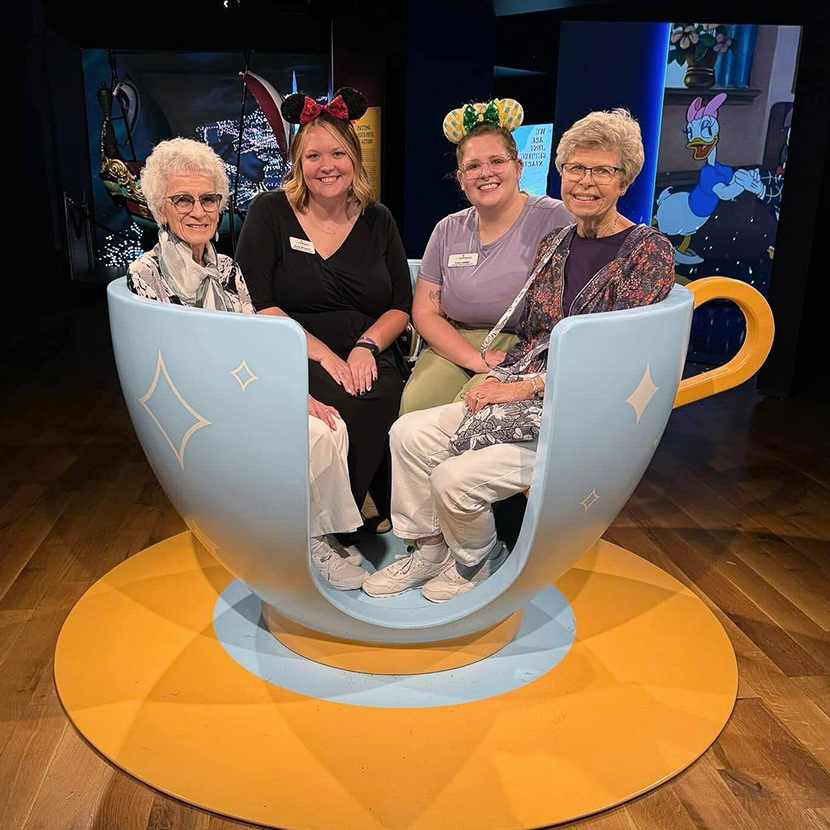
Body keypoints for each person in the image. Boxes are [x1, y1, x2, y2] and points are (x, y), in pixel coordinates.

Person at [363, 108, 675, 602]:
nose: (585, 181)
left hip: (579, 410)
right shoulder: (556, 243)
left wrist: (522, 385)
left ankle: (477, 558)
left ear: (625, 180)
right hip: (527, 385)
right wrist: (500, 374)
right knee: (407, 432)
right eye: (575, 168)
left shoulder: (647, 251)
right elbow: (537, 334)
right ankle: (426, 548)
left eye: (601, 171)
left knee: (451, 477)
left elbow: (616, 359)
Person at [128, 137, 368, 590]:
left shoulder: (227, 269)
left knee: (329, 425)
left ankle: (316, 535)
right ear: (161, 208)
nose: (198, 211)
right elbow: (174, 361)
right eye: (183, 199)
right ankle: (301, 542)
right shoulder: (147, 274)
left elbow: (253, 346)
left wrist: (296, 395)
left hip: (242, 389)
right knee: (308, 436)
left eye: (209, 199)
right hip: (197, 405)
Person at [235, 88, 412, 529]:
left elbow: (400, 307)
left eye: (337, 153)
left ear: (354, 159)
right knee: (337, 410)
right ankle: (324, 528)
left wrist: (365, 347)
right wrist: (325, 354)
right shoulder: (270, 212)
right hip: (294, 346)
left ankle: (346, 524)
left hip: (368, 347)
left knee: (377, 398)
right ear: (298, 162)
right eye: (313, 156)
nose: (326, 166)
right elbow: (255, 300)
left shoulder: (378, 218)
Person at [400, 98, 573, 415]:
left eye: (497, 161)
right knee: (415, 407)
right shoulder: (447, 230)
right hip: (455, 341)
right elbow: (425, 311)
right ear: (461, 178)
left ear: (518, 167)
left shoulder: (556, 218)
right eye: (473, 166)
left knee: (463, 413)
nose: (485, 173)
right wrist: (473, 358)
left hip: (524, 346)